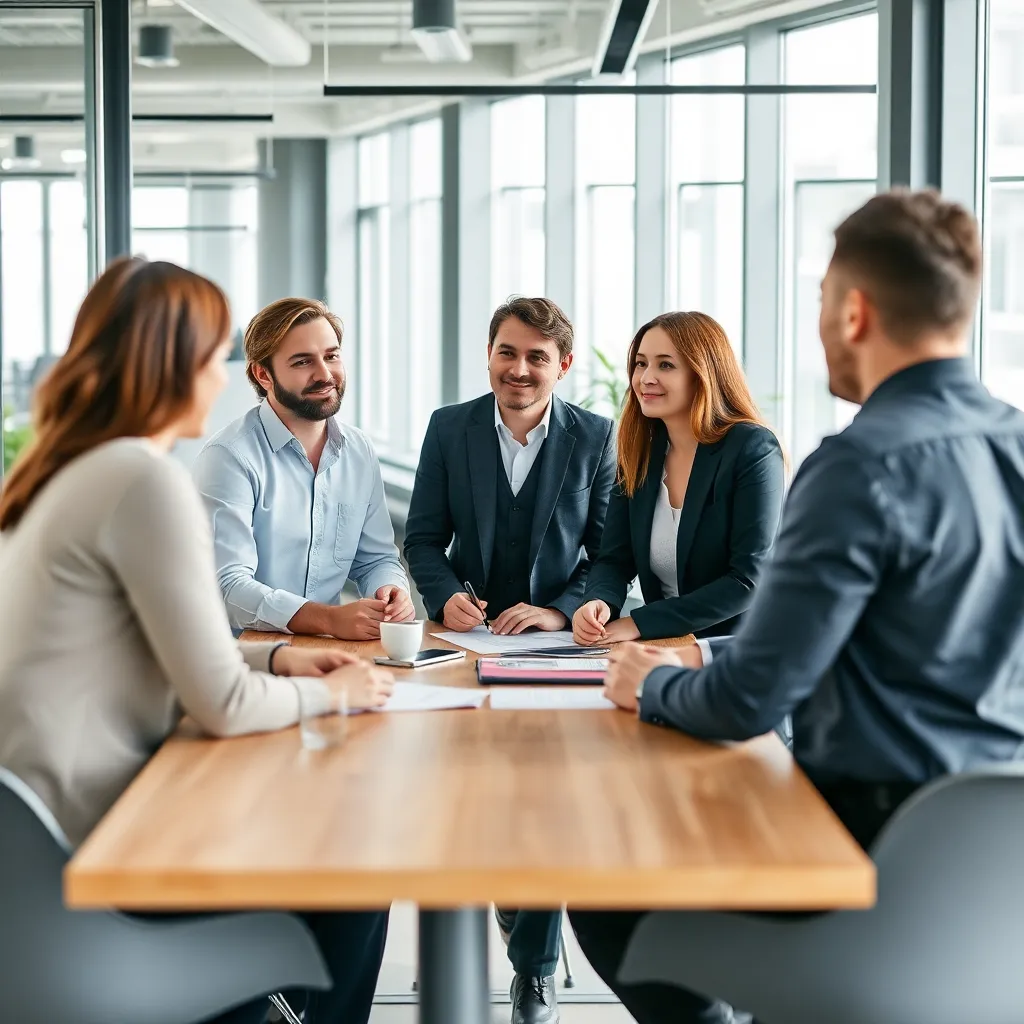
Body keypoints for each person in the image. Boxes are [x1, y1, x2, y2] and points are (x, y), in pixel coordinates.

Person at [572, 190, 1024, 1023]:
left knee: (599, 887)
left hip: (866, 856)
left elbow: (752, 698)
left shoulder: (857, 466)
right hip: (1000, 877)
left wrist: (650, 685)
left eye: (819, 299)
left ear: (853, 312)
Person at [0, 258, 396, 1024]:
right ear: (174, 366)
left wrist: (278, 655)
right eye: (213, 358)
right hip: (93, 859)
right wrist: (332, 689)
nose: (219, 381)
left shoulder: (70, 470)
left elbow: (142, 646)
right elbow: (219, 702)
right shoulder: (141, 481)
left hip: (37, 849)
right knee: (354, 864)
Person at [404, 296, 616, 1024]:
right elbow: (424, 537)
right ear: (489, 355)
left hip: (558, 647)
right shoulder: (448, 428)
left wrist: (561, 610)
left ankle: (535, 972)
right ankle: (485, 924)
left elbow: (608, 552)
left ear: (562, 364)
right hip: (464, 645)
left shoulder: (597, 437)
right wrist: (443, 596)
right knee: (470, 792)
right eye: (506, 352)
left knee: (546, 799)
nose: (518, 369)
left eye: (535, 357)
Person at [192, 297, 414, 641]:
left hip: (328, 653)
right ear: (263, 374)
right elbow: (228, 586)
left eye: (332, 355)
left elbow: (375, 558)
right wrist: (327, 619)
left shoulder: (359, 451)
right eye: (302, 362)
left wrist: (391, 591)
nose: (325, 374)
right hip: (242, 657)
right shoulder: (228, 456)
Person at [572, 311, 785, 646]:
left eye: (665, 365)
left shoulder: (751, 448)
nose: (646, 378)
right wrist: (598, 602)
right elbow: (614, 558)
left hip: (734, 650)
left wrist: (640, 623)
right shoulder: (640, 451)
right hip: (663, 644)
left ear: (703, 374)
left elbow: (748, 580)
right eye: (641, 364)